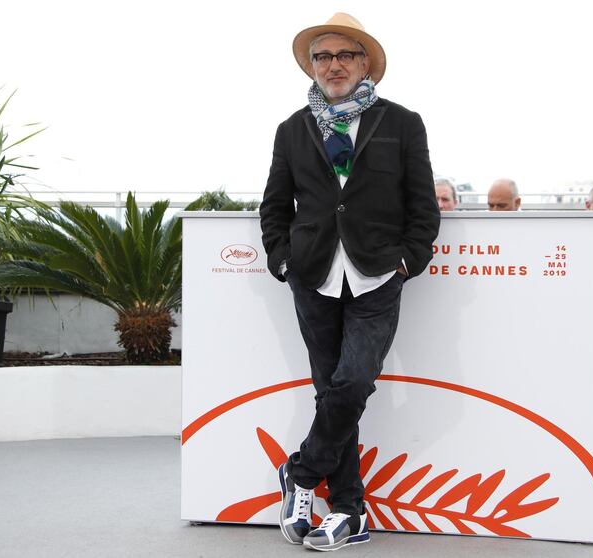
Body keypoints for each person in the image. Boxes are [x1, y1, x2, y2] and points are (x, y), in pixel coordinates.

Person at [259, 13, 440, 551]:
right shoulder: (292, 129)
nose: (333, 65)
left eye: (344, 56)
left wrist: (409, 260)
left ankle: (302, 471)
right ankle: (348, 512)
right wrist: (281, 260)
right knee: (329, 391)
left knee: (353, 383)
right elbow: (274, 205)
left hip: (378, 274)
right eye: (323, 57)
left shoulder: (402, 123)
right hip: (312, 275)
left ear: (365, 64)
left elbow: (423, 206)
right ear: (312, 67)